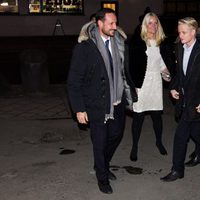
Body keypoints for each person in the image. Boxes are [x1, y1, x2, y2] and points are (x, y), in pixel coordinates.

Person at [67, 8, 134, 194]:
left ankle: (101, 164)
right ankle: (102, 177)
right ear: (100, 23)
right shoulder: (85, 47)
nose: (115, 27)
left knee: (116, 135)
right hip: (96, 103)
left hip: (117, 100)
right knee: (100, 141)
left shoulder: (119, 43)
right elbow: (73, 81)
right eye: (111, 23)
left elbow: (123, 71)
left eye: (115, 23)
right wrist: (79, 108)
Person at [160, 17, 200, 182]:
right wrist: (173, 88)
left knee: (181, 136)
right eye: (179, 32)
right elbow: (180, 74)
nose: (180, 35)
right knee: (195, 133)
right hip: (185, 101)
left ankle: (177, 170)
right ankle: (190, 160)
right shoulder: (179, 47)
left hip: (197, 102)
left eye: (184, 32)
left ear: (193, 32)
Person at [128, 12, 172, 162]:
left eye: (155, 23)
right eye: (150, 23)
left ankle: (159, 141)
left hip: (156, 83)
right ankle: (134, 146)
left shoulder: (162, 42)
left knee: (156, 116)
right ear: (145, 25)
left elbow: (162, 63)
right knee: (138, 117)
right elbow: (131, 66)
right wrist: (134, 85)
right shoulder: (138, 42)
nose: (153, 26)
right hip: (142, 83)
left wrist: (166, 74)